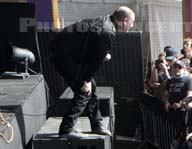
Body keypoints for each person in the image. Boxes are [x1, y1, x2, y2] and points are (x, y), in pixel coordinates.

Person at [50, 6, 135, 135]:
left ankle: (96, 125)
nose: (132, 26)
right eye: (131, 22)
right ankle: (66, 129)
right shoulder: (107, 32)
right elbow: (95, 63)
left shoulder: (106, 21)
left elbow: (93, 47)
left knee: (92, 87)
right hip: (62, 54)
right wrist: (86, 80)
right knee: (84, 91)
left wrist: (102, 55)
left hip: (65, 51)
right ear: (125, 21)